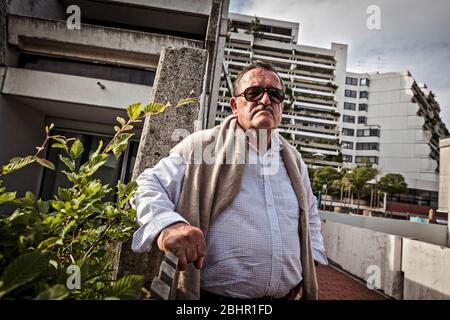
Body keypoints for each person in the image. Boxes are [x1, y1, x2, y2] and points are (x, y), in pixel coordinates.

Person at [131, 61, 328, 300]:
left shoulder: (294, 161)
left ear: (281, 105)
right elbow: (147, 185)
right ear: (235, 105)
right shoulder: (201, 147)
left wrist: (312, 260)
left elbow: (309, 214)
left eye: (274, 94)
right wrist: (168, 225)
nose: (265, 100)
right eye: (254, 93)